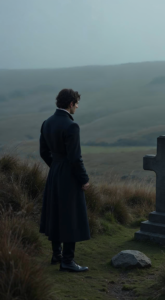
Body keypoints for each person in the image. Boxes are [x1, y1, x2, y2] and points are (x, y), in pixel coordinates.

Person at [39, 88, 90, 272]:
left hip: (54, 172)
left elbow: (43, 152)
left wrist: (55, 166)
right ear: (70, 104)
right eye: (76, 104)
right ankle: (67, 261)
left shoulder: (47, 123)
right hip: (68, 175)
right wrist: (84, 179)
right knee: (70, 216)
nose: (77, 107)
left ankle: (56, 254)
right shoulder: (71, 126)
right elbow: (75, 158)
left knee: (55, 212)